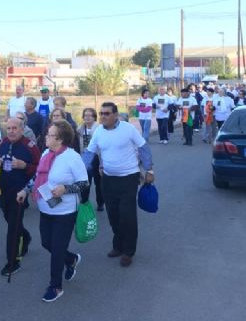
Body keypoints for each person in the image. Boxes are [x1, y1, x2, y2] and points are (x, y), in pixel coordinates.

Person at [18, 119, 89, 302]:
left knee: (57, 249)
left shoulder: (72, 157)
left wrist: (65, 189)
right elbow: (37, 176)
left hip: (65, 211)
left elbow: (83, 184)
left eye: (50, 135)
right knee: (46, 243)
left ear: (60, 139)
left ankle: (55, 287)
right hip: (46, 207)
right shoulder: (45, 154)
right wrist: (25, 190)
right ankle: (71, 259)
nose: (46, 137)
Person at [83, 103, 154, 268]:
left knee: (127, 215)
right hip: (108, 179)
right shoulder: (99, 131)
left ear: (115, 115)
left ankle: (128, 251)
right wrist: (79, 170)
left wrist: (149, 169)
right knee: (113, 214)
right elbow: (89, 152)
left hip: (129, 178)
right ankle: (118, 245)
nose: (102, 116)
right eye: (101, 113)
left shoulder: (128, 129)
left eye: (106, 113)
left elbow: (143, 147)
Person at [0, 117, 40, 277]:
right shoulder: (3, 142)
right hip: (4, 191)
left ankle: (13, 262)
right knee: (11, 220)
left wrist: (24, 166)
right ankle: (26, 236)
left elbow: (40, 170)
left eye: (15, 128)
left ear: (22, 129)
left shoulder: (30, 146)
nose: (11, 131)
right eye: (9, 128)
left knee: (13, 227)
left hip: (20, 192)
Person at [76, 108, 104, 211]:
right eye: (85, 115)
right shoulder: (79, 130)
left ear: (94, 117)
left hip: (96, 158)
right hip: (84, 158)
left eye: (90, 115)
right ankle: (84, 202)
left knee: (98, 183)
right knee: (85, 182)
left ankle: (100, 202)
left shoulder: (100, 129)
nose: (87, 117)